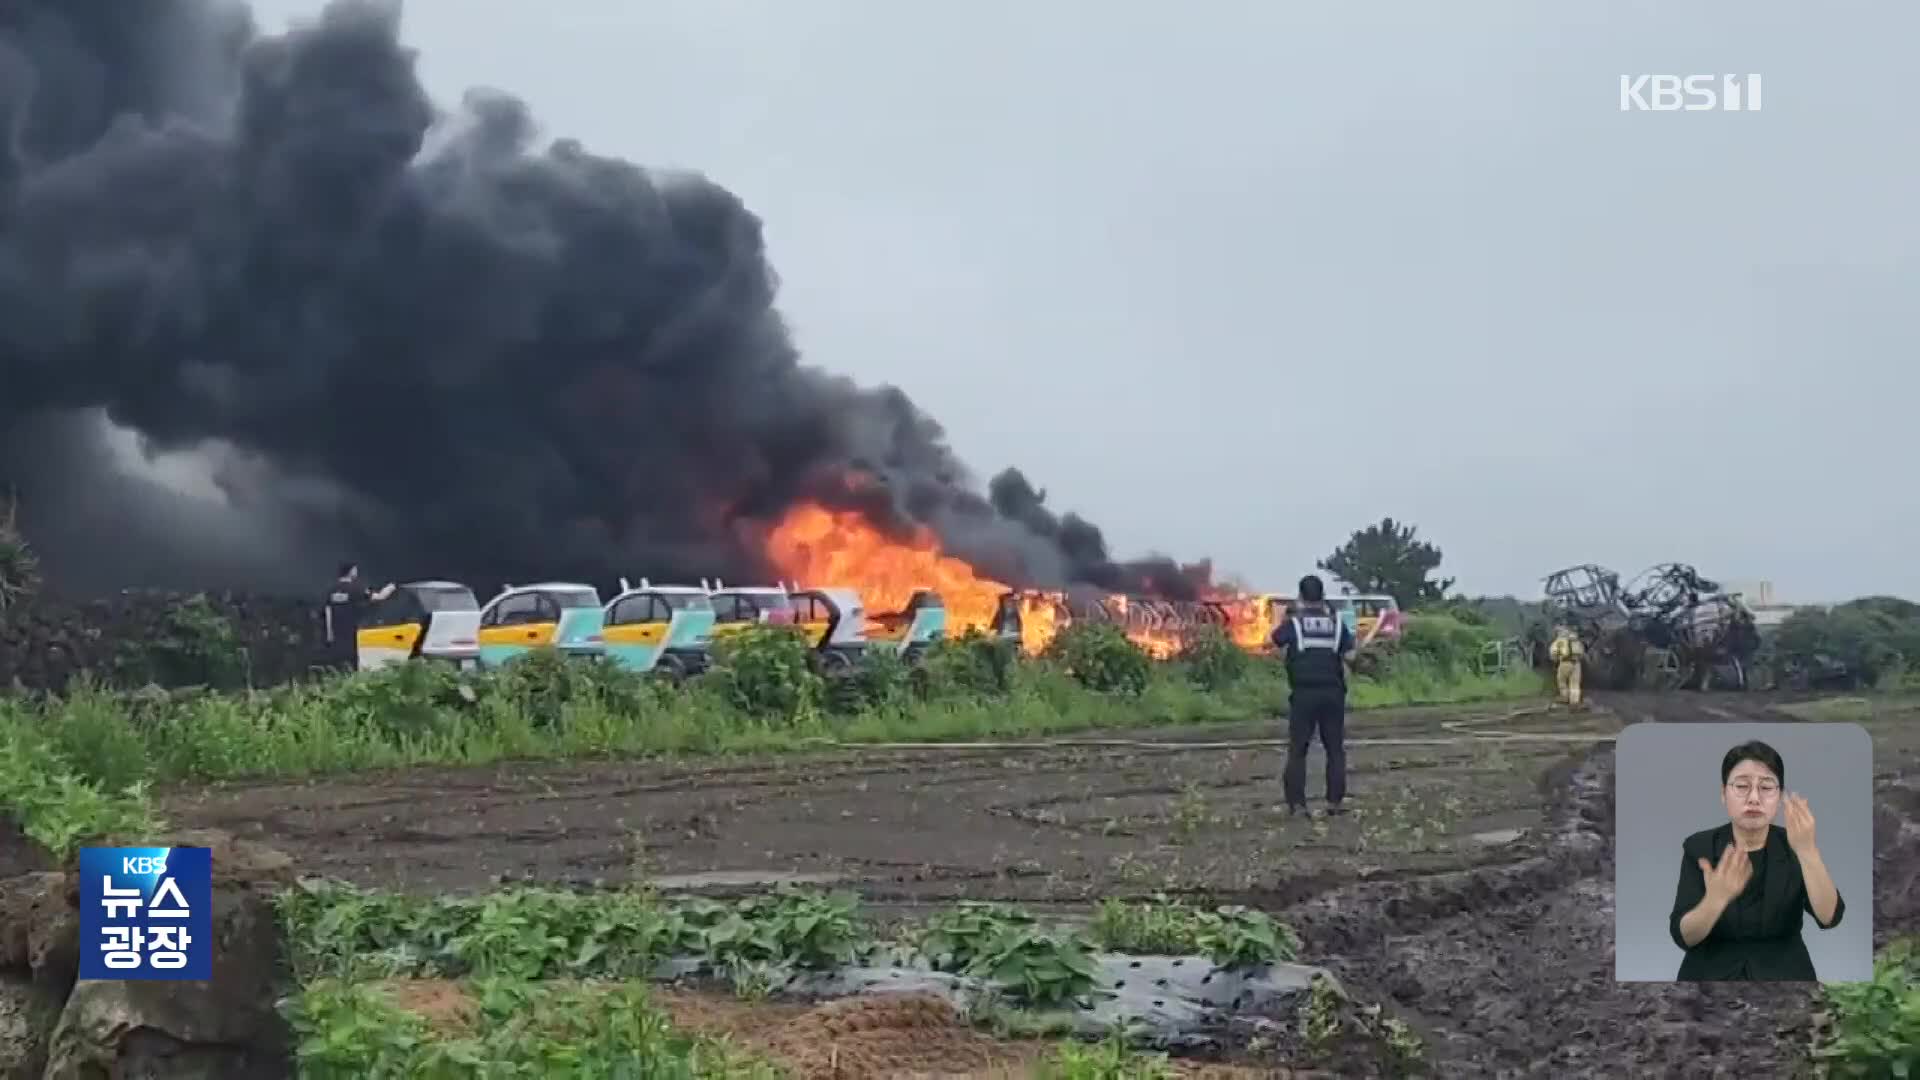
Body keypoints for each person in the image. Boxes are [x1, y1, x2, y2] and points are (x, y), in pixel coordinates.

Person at [1668, 740, 1844, 981]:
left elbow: (1829, 917)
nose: (1753, 798)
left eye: (1766, 787)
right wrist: (1715, 900)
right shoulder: (1699, 847)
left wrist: (1808, 851)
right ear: (1723, 794)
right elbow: (1684, 937)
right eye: (1741, 786)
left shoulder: (1795, 843)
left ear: (1780, 795)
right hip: (1708, 979)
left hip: (1786, 976)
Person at [1271, 574, 1357, 817]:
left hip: (1303, 693)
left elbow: (1274, 644)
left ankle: (1298, 805)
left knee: (1298, 748)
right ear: (1322, 596)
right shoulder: (1338, 624)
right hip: (1333, 693)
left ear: (1300, 597)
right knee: (1335, 749)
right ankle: (1335, 803)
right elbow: (1350, 656)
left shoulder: (1295, 624)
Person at [323, 562, 396, 672]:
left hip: (336, 631)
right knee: (352, 662)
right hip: (351, 630)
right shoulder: (356, 588)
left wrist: (329, 633)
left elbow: (328, 611)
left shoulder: (331, 589)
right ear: (351, 571)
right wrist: (390, 587)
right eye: (355, 569)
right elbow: (379, 597)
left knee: (337, 664)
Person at [1548, 624, 1585, 708]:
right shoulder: (1575, 640)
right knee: (1575, 684)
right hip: (1576, 664)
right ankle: (1574, 701)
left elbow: (1553, 653)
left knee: (1562, 681)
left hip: (1565, 662)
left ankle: (1565, 697)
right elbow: (1582, 651)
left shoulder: (1559, 641)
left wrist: (1555, 659)